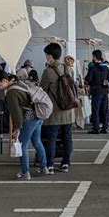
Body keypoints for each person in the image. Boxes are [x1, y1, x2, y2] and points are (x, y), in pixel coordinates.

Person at [0, 70, 48, 179]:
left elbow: (16, 112)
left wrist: (17, 128)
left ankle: (25, 172)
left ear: (4, 81)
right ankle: (43, 167)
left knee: (22, 144)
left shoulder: (11, 93)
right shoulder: (19, 83)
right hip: (38, 114)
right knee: (37, 141)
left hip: (28, 117)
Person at [40, 43, 75, 174]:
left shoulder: (48, 72)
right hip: (68, 109)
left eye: (46, 55)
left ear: (50, 56)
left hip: (54, 111)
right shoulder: (69, 69)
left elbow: (42, 90)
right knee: (67, 137)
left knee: (51, 138)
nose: (46, 57)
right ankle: (65, 163)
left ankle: (50, 165)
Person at [85, 50, 109, 134]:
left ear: (94, 57)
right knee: (105, 109)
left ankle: (96, 128)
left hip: (96, 91)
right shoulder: (107, 68)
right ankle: (105, 127)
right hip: (105, 91)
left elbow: (88, 79)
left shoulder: (93, 67)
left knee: (95, 109)